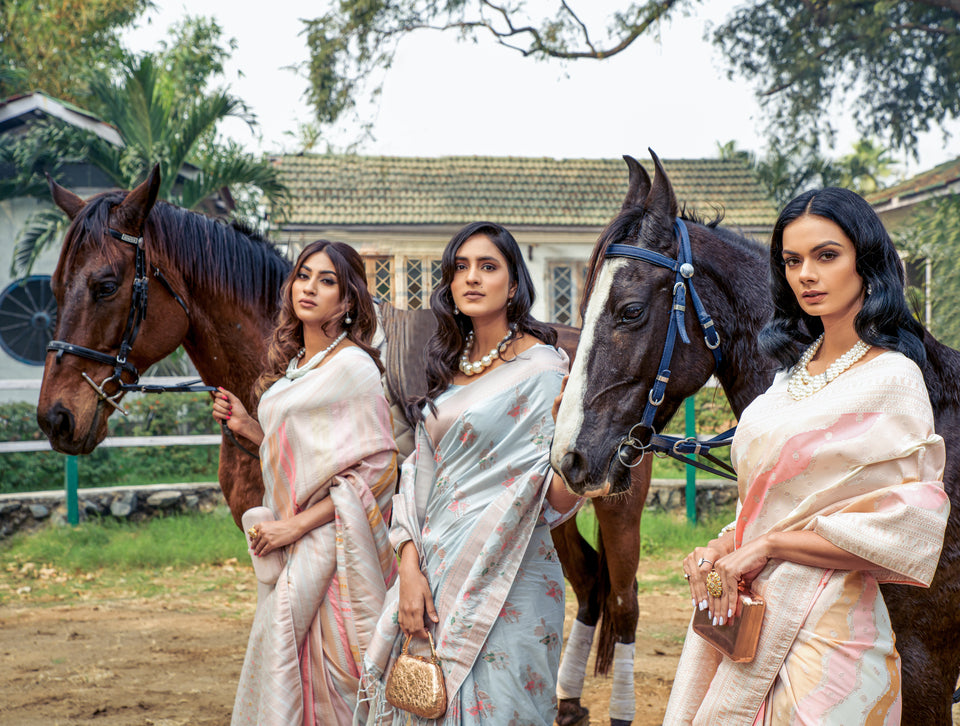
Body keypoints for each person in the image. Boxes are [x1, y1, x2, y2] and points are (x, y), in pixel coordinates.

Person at [663, 188, 950, 724]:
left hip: (832, 633)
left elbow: (905, 525)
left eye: (826, 256)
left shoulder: (892, 378)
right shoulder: (785, 381)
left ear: (866, 262)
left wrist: (765, 546)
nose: (806, 276)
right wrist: (720, 547)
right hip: (751, 618)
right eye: (792, 261)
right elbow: (771, 501)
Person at [358, 221, 581, 725]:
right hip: (433, 575)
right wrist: (410, 572)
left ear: (514, 282)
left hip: (513, 575)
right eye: (461, 268)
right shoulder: (446, 370)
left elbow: (554, 499)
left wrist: (587, 459)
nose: (472, 279)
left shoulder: (545, 370)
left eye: (488, 266)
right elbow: (417, 482)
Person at [212, 240, 399, 725]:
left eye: (327, 280)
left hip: (334, 549)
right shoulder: (294, 367)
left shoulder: (354, 367)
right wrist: (251, 429)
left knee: (334, 681)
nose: (309, 288)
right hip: (293, 542)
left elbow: (377, 470)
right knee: (291, 668)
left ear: (349, 301)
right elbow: (301, 450)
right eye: (303, 275)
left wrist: (295, 528)